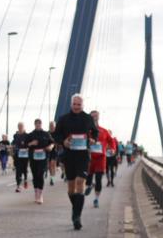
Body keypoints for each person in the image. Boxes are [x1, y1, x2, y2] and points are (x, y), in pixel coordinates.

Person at [52, 93, 98, 230]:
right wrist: (63, 141)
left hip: (83, 155)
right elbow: (56, 135)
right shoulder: (63, 119)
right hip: (69, 156)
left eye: (79, 104)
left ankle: (77, 217)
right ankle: (76, 209)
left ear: (82, 105)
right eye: (75, 104)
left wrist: (93, 140)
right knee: (71, 187)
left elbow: (95, 132)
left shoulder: (88, 118)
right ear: (71, 105)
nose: (77, 106)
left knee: (80, 182)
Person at [86, 110, 115, 208]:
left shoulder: (104, 131)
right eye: (92, 116)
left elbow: (111, 141)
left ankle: (96, 199)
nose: (94, 118)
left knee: (98, 179)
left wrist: (112, 149)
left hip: (101, 158)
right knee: (88, 179)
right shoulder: (86, 130)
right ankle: (90, 185)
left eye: (96, 116)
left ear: (98, 117)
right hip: (89, 157)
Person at [26, 119, 54, 204]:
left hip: (43, 158)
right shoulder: (30, 135)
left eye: (39, 123)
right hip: (33, 158)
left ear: (41, 124)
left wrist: (50, 147)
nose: (38, 125)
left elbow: (52, 143)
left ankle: (40, 195)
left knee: (40, 174)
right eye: (36, 124)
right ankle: (36, 194)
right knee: (35, 175)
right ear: (34, 124)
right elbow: (25, 145)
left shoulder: (46, 134)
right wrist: (31, 144)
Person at [12, 122, 30, 193]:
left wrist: (28, 148)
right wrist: (13, 146)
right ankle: (18, 185)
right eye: (19, 126)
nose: (20, 127)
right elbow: (13, 143)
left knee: (24, 169)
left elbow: (29, 144)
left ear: (23, 127)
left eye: (21, 126)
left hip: (25, 155)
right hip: (17, 155)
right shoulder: (15, 135)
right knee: (18, 170)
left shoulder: (27, 135)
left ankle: (25, 179)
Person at [48, 120, 59, 186]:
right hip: (48, 150)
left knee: (53, 164)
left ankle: (52, 178)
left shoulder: (57, 133)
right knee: (49, 165)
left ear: (55, 126)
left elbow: (59, 141)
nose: (51, 127)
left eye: (52, 125)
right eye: (50, 125)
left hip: (55, 150)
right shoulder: (47, 133)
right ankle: (51, 176)